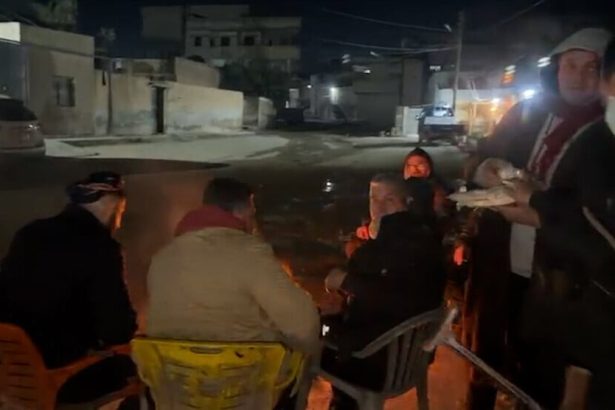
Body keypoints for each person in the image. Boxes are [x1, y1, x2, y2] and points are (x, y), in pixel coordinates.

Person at [465, 27, 612, 409]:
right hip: (501, 261)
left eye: (592, 68)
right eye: (571, 65)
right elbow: (482, 154)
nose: (579, 77)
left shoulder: (605, 135)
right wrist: (486, 168)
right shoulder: (526, 114)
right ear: (556, 69)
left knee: (541, 369)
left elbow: (597, 218)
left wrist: (540, 209)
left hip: (559, 280)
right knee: (485, 352)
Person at [0, 172, 138, 404]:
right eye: (121, 212)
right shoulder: (101, 246)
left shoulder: (29, 233)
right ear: (112, 205)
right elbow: (117, 330)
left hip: (14, 375)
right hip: (63, 377)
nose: (119, 222)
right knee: (142, 370)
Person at [146, 177, 320, 355]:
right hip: (239, 368)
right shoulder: (249, 252)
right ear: (241, 212)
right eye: (252, 215)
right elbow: (302, 322)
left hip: (171, 368)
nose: (253, 223)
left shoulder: (162, 257)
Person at [322, 174, 445, 410]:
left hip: (375, 361)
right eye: (374, 198)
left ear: (406, 202)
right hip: (411, 359)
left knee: (306, 337)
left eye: (389, 199)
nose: (378, 207)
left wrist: (345, 281)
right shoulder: (428, 237)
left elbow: (401, 299)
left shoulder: (389, 249)